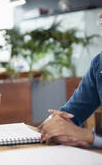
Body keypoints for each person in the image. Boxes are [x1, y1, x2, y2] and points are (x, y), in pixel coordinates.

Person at [39, 10, 102, 148]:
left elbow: (84, 135)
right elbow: (71, 113)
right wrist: (55, 123)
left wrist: (88, 137)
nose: (100, 14)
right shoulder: (99, 62)